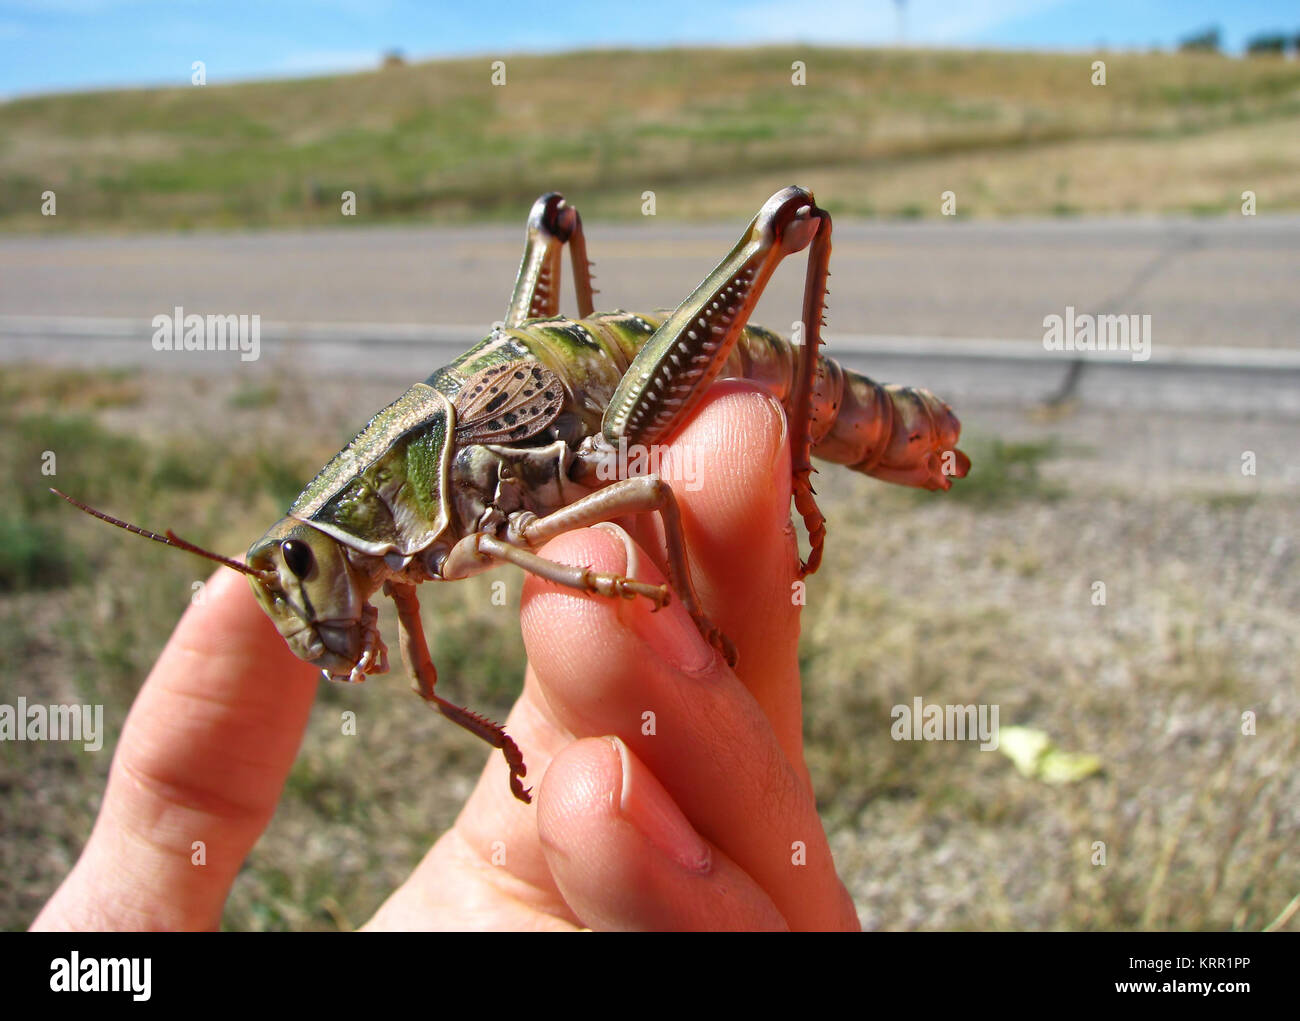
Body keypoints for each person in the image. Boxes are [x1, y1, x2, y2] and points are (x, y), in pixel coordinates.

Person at [32, 382, 859, 931]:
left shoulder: (416, 492)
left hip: (626, 396)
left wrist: (576, 574)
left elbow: (647, 492)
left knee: (655, 474)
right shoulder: (392, 564)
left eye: (296, 568)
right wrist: (504, 743)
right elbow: (428, 686)